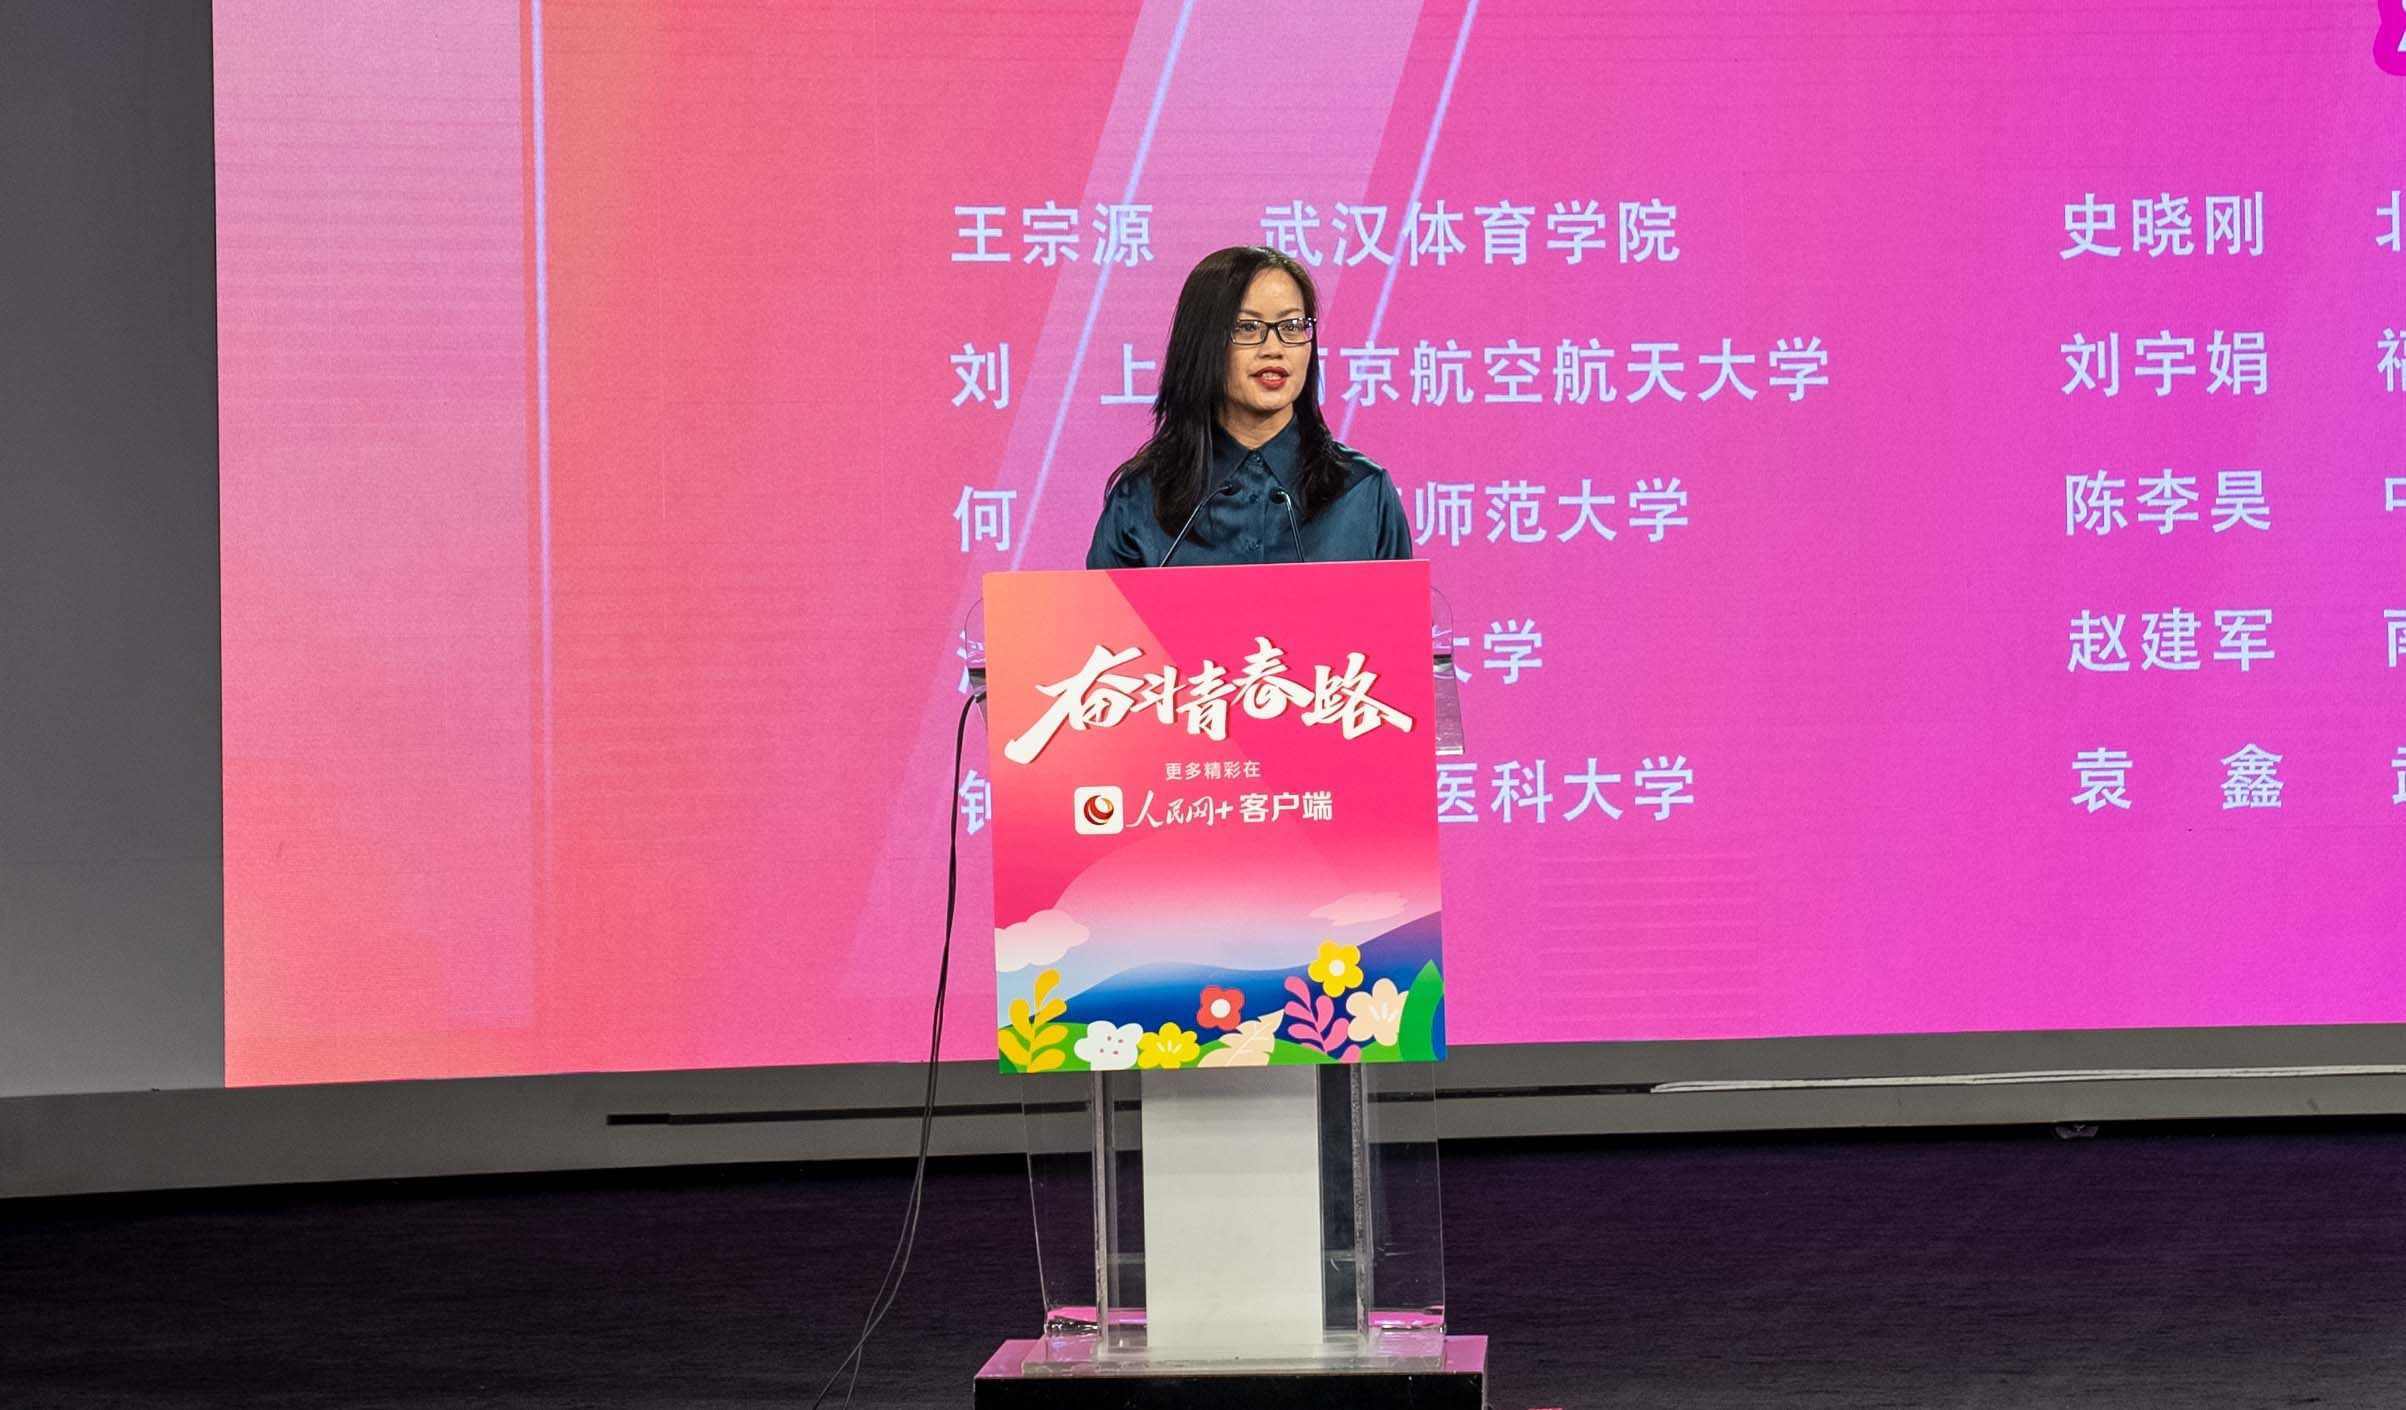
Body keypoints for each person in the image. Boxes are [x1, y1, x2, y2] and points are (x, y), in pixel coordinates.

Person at [1085, 246, 1412, 568]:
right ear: (1204, 342)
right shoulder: (1142, 498)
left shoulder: (1362, 491)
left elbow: (1399, 605)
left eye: (1292, 326)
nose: (1274, 348)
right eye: (1248, 327)